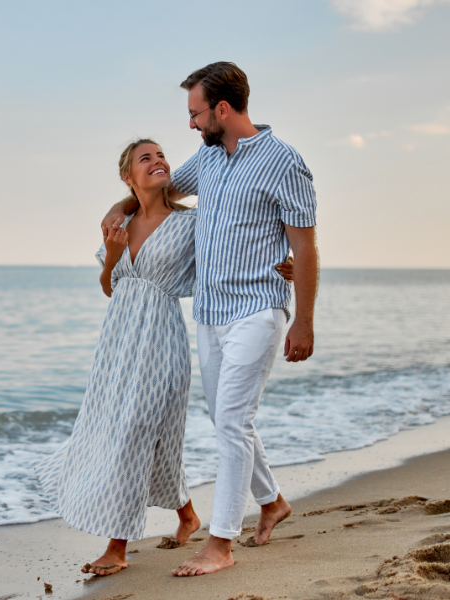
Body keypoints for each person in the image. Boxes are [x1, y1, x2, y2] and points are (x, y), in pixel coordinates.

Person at [34, 138, 294, 577]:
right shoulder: (121, 223)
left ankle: (116, 546)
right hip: (117, 340)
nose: (158, 162)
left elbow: (234, 248)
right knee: (147, 434)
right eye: (145, 158)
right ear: (127, 176)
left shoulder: (192, 223)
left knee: (136, 429)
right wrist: (113, 256)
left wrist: (281, 262)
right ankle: (188, 516)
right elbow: (109, 286)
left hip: (162, 339)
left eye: (161, 156)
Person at [102, 62, 318, 577]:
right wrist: (116, 207)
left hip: (259, 309)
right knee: (226, 419)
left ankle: (220, 541)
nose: (191, 125)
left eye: (196, 113)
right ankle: (272, 502)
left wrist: (303, 320)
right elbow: (156, 191)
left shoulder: (285, 163)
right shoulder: (208, 160)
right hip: (210, 313)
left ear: (222, 109)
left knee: (233, 423)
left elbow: (306, 248)